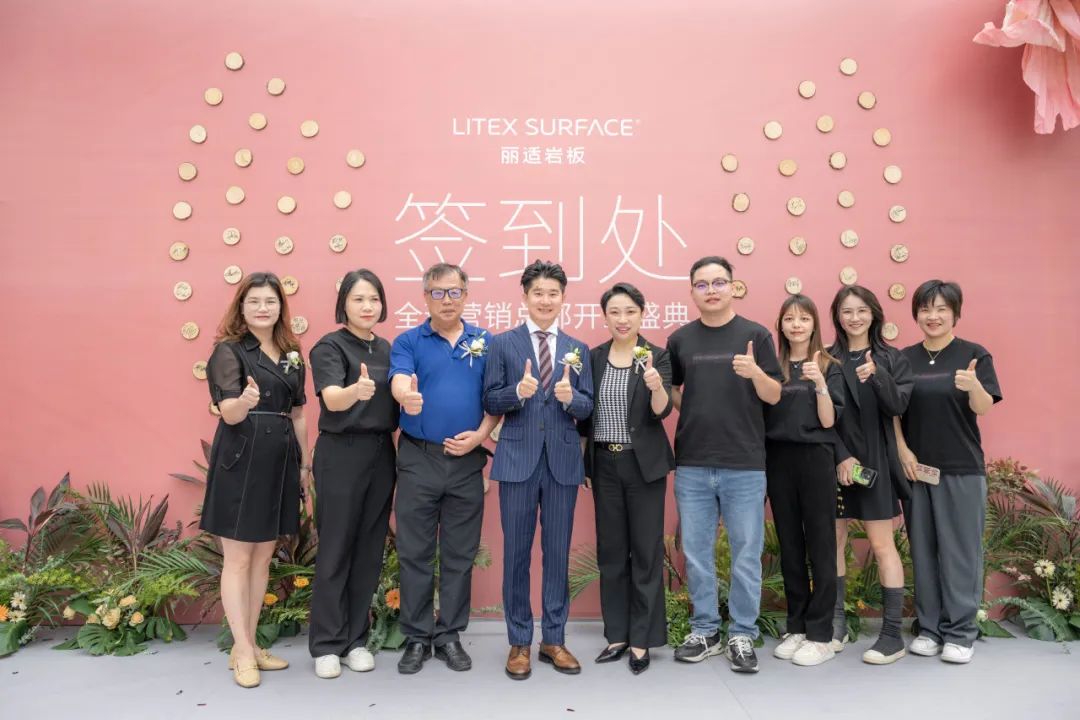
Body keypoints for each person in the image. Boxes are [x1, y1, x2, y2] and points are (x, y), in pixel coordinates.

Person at [666, 256, 782, 674]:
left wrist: (754, 373)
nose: (711, 290)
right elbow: (671, 389)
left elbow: (774, 395)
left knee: (745, 553)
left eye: (718, 282)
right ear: (692, 292)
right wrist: (693, 408)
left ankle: (742, 634)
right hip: (693, 462)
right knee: (697, 552)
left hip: (744, 463)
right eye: (702, 284)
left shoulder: (755, 335)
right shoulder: (680, 339)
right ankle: (706, 631)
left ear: (733, 286)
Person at [482, 260, 594, 681]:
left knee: (557, 554)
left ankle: (554, 639)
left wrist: (571, 398)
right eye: (538, 293)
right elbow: (490, 400)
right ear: (525, 296)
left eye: (553, 293)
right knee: (516, 554)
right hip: (517, 461)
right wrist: (517, 391)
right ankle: (518, 642)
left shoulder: (577, 348)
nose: (546, 300)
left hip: (562, 463)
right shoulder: (502, 344)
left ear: (563, 298)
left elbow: (587, 407)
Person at [200, 272, 310, 688]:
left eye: (271, 301)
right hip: (241, 458)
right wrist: (243, 402)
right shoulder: (229, 351)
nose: (263, 308)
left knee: (263, 557)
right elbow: (229, 413)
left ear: (281, 307)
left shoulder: (292, 352)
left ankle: (247, 644)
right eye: (255, 302)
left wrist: (303, 465)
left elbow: (298, 413)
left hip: (280, 459)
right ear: (241, 308)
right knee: (239, 558)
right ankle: (243, 649)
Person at [389, 263, 499, 674]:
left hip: (467, 460)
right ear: (425, 296)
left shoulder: (485, 342)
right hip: (419, 458)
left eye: (454, 292)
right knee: (415, 552)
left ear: (466, 295)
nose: (447, 300)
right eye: (438, 292)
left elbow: (496, 401)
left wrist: (480, 436)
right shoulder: (408, 341)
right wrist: (406, 397)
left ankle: (449, 634)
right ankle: (417, 637)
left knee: (459, 553)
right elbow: (400, 379)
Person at [895, 280, 1002, 664]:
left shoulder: (974, 354)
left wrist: (973, 386)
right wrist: (903, 450)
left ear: (955, 313)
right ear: (916, 314)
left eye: (941, 309)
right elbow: (894, 412)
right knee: (923, 550)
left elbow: (984, 407)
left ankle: (960, 633)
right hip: (917, 470)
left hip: (960, 468)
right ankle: (929, 629)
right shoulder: (904, 358)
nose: (933, 316)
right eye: (926, 309)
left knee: (960, 553)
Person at [577, 282, 674, 675]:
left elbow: (662, 411)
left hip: (643, 466)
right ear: (604, 316)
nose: (622, 319)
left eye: (630, 311)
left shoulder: (657, 356)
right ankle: (616, 635)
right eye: (614, 312)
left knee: (646, 553)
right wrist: (586, 466)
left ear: (641, 314)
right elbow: (585, 417)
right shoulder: (593, 357)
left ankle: (641, 640)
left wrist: (656, 386)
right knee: (612, 553)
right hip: (605, 464)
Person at [307, 270, 398, 679]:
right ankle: (327, 644)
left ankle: (355, 641)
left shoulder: (387, 348)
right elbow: (331, 399)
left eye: (374, 299)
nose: (367, 306)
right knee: (336, 548)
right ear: (343, 303)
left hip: (381, 453)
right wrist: (354, 393)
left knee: (369, 550)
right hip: (341, 453)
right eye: (359, 299)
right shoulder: (329, 346)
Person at [828, 285, 914, 665]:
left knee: (882, 546)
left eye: (862, 310)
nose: (855, 318)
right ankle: (836, 625)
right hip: (834, 463)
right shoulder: (826, 358)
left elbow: (897, 406)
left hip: (875, 464)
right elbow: (818, 416)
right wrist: (841, 457)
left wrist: (877, 376)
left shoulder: (891, 358)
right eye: (847, 311)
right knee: (833, 543)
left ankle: (892, 635)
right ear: (837, 316)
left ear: (874, 314)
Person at [765, 294, 845, 667]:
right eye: (789, 319)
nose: (796, 325)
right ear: (780, 325)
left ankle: (821, 634)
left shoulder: (829, 365)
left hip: (816, 458)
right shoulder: (773, 366)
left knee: (821, 545)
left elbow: (829, 421)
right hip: (778, 459)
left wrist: (820, 384)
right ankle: (796, 625)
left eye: (804, 318)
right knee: (790, 545)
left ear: (814, 323)